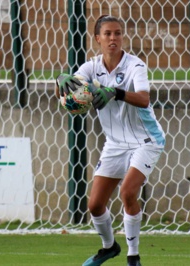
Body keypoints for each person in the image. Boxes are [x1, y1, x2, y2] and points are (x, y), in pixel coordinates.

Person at [56, 15, 165, 266]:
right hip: (115, 143)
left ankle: (133, 255)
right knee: (94, 205)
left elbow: (144, 99)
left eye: (117, 33)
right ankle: (109, 247)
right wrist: (61, 81)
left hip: (146, 140)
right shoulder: (90, 67)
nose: (113, 38)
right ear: (97, 39)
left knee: (128, 192)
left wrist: (115, 92)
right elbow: (70, 87)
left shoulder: (135, 66)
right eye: (107, 34)